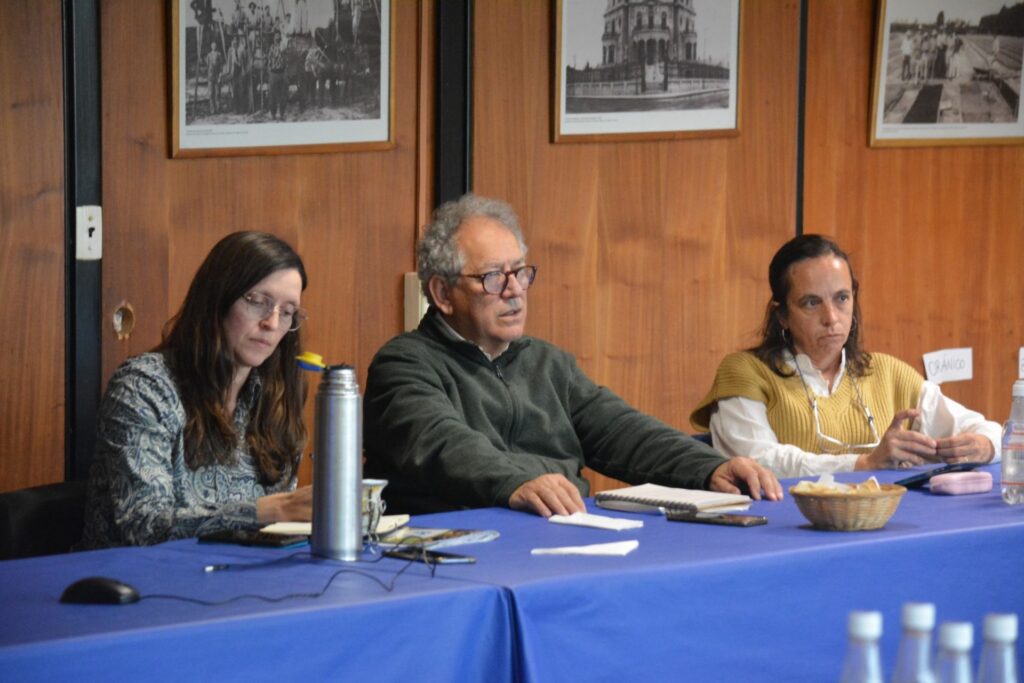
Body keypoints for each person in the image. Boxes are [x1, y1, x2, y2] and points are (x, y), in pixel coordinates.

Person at [362, 194, 782, 517]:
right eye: (493, 277)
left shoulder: (547, 364)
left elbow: (622, 431)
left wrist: (708, 468)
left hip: (560, 532)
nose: (515, 290)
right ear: (441, 293)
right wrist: (520, 481)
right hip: (458, 550)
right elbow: (446, 446)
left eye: (520, 272)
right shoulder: (403, 365)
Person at [690, 234, 1000, 478]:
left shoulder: (886, 372)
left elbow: (989, 430)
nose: (831, 318)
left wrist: (983, 446)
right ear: (782, 314)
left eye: (842, 298)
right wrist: (864, 464)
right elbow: (758, 462)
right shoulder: (745, 372)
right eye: (812, 303)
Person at [80, 232, 313, 548]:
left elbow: (275, 534)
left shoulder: (276, 397)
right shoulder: (144, 386)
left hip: (232, 580)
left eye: (287, 312)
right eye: (258, 302)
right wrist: (273, 509)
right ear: (217, 299)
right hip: (130, 584)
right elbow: (142, 524)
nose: (272, 324)